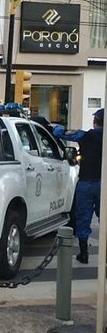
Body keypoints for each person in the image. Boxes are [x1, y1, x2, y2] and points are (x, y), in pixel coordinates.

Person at [53, 108, 104, 264]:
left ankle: (84, 254)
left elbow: (60, 133)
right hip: (104, 186)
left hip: (86, 184)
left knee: (83, 218)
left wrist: (54, 126)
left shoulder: (84, 135)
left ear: (95, 121)